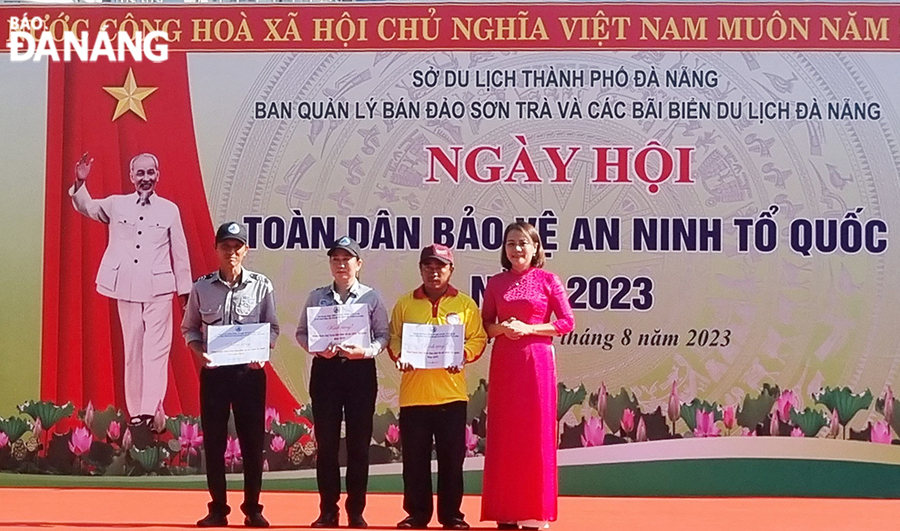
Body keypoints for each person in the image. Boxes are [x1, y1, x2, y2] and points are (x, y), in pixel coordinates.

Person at [70, 152, 192, 426]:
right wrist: (80, 182)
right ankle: (136, 413)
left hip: (159, 289)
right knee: (133, 349)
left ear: (157, 175)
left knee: (157, 350)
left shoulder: (169, 209)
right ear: (131, 177)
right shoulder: (116, 204)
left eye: (151, 173)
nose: (146, 178)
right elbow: (86, 207)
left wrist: (185, 294)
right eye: (140, 173)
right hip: (125, 287)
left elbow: (180, 252)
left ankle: (151, 411)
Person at [181, 222, 279, 528]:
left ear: (245, 251)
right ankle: (218, 509)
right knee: (215, 443)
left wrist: (263, 353)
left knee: (252, 443)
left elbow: (272, 327)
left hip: (250, 374)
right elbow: (189, 329)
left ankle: (253, 508)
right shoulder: (201, 287)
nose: (231, 252)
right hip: (215, 374)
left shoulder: (262, 286)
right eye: (226, 246)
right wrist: (201, 352)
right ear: (217, 250)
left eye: (237, 247)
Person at [480, 221, 575, 530]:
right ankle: (505, 509)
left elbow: (566, 322)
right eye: (511, 243)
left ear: (535, 248)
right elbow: (486, 327)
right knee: (505, 434)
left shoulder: (549, 280)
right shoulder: (495, 283)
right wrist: (503, 329)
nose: (517, 249)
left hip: (537, 362)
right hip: (506, 363)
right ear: (504, 250)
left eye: (523, 243)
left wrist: (529, 328)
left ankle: (534, 511)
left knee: (535, 435)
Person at [388, 244, 487, 530]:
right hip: (414, 397)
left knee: (451, 461)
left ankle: (452, 516)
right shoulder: (405, 304)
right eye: (428, 266)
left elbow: (477, 339)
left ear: (450, 270)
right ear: (420, 269)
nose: (434, 272)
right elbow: (394, 338)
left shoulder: (465, 304)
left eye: (440, 266)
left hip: (451, 396)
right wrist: (401, 356)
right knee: (415, 462)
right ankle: (417, 515)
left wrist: (463, 355)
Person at [295, 236, 390, 529]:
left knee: (359, 445)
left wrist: (368, 351)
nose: (340, 265)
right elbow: (301, 333)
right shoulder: (317, 297)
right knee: (326, 445)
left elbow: (383, 335)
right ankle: (328, 510)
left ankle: (356, 510)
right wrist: (315, 348)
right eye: (335, 259)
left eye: (346, 259)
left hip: (360, 372)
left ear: (358, 264)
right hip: (326, 372)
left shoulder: (371, 298)